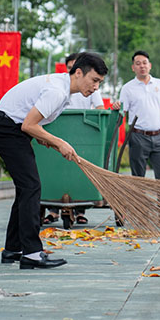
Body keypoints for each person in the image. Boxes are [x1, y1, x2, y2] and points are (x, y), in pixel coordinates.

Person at [0, 52, 108, 269]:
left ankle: (13, 249)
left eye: (99, 82)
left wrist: (51, 142)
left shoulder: (63, 90)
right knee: (32, 187)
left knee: (27, 189)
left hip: (11, 128)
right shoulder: (57, 91)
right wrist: (60, 142)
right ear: (78, 73)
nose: (96, 87)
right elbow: (28, 125)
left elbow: (33, 126)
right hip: (6, 129)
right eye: (94, 80)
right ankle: (32, 253)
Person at [42, 52, 105, 227]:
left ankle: (80, 210)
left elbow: (100, 108)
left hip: (83, 133)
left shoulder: (90, 89)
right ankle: (52, 209)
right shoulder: (59, 90)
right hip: (57, 132)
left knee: (76, 172)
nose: (95, 86)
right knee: (53, 170)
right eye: (70, 67)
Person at [115, 50, 160, 181]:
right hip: (137, 137)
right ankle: (139, 202)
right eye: (138, 64)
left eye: (144, 63)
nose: (142, 66)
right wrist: (117, 107)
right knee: (138, 179)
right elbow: (122, 112)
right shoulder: (127, 88)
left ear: (150, 65)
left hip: (159, 137)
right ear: (133, 67)